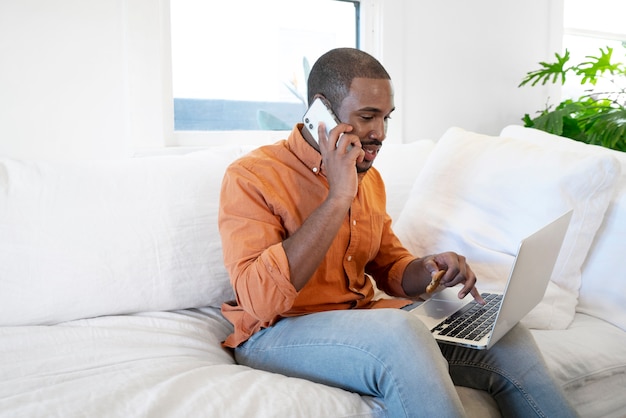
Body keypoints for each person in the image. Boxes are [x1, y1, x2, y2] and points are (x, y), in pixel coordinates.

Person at [218, 47, 578, 417]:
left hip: (363, 318)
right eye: (367, 117)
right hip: (277, 331)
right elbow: (260, 300)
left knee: (506, 336)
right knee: (400, 332)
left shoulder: (369, 178)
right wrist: (338, 196)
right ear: (321, 112)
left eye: (386, 118)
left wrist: (431, 268)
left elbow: (391, 266)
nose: (380, 133)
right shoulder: (251, 176)